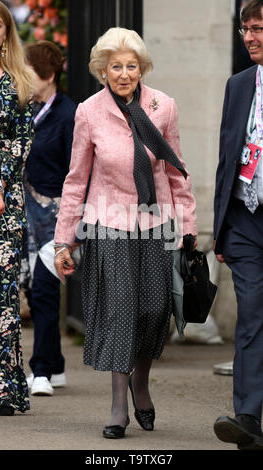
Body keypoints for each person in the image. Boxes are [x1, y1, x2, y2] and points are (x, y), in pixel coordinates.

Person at [54, 27, 197, 439]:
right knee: (120, 311)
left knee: (153, 311)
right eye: (115, 66)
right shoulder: (89, 112)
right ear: (103, 70)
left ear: (141, 69)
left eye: (131, 66)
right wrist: (65, 238)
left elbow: (176, 171)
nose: (124, 73)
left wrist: (187, 227)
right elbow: (76, 178)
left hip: (154, 223)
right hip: (107, 223)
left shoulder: (162, 106)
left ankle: (140, 381)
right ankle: (119, 404)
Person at [213, 0, 263, 450]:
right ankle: (247, 416)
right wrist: (221, 225)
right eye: (245, 29)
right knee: (250, 315)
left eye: (259, 28)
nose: (249, 37)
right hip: (246, 219)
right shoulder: (238, 84)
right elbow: (228, 156)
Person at [23, 41, 77, 396]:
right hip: (25, 215)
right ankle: (55, 365)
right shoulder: (23, 109)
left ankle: (40, 371)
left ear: (47, 74)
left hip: (58, 218)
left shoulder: (70, 113)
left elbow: (80, 170)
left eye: (27, 71)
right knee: (32, 289)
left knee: (43, 289)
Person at [0, 0, 34, 416]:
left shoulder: (18, 83)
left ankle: (3, 390)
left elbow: (22, 143)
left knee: (3, 297)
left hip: (5, 205)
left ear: (6, 33)